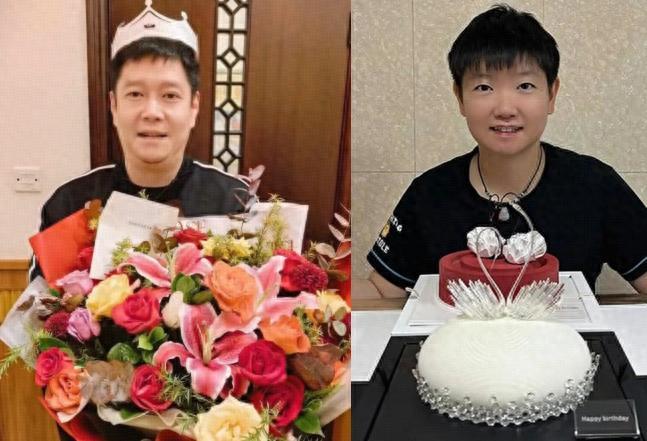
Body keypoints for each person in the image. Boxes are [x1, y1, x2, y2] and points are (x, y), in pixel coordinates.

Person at [366, 4, 647, 297]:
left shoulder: (595, 185)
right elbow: (382, 291)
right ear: (459, 97)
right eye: (484, 88)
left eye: (525, 85)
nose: (505, 108)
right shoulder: (428, 193)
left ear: (552, 94)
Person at [28, 1, 247, 282]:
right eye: (135, 94)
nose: (152, 112)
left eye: (170, 96)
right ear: (114, 105)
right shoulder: (69, 202)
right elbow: (39, 305)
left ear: (194, 107)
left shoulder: (233, 200)